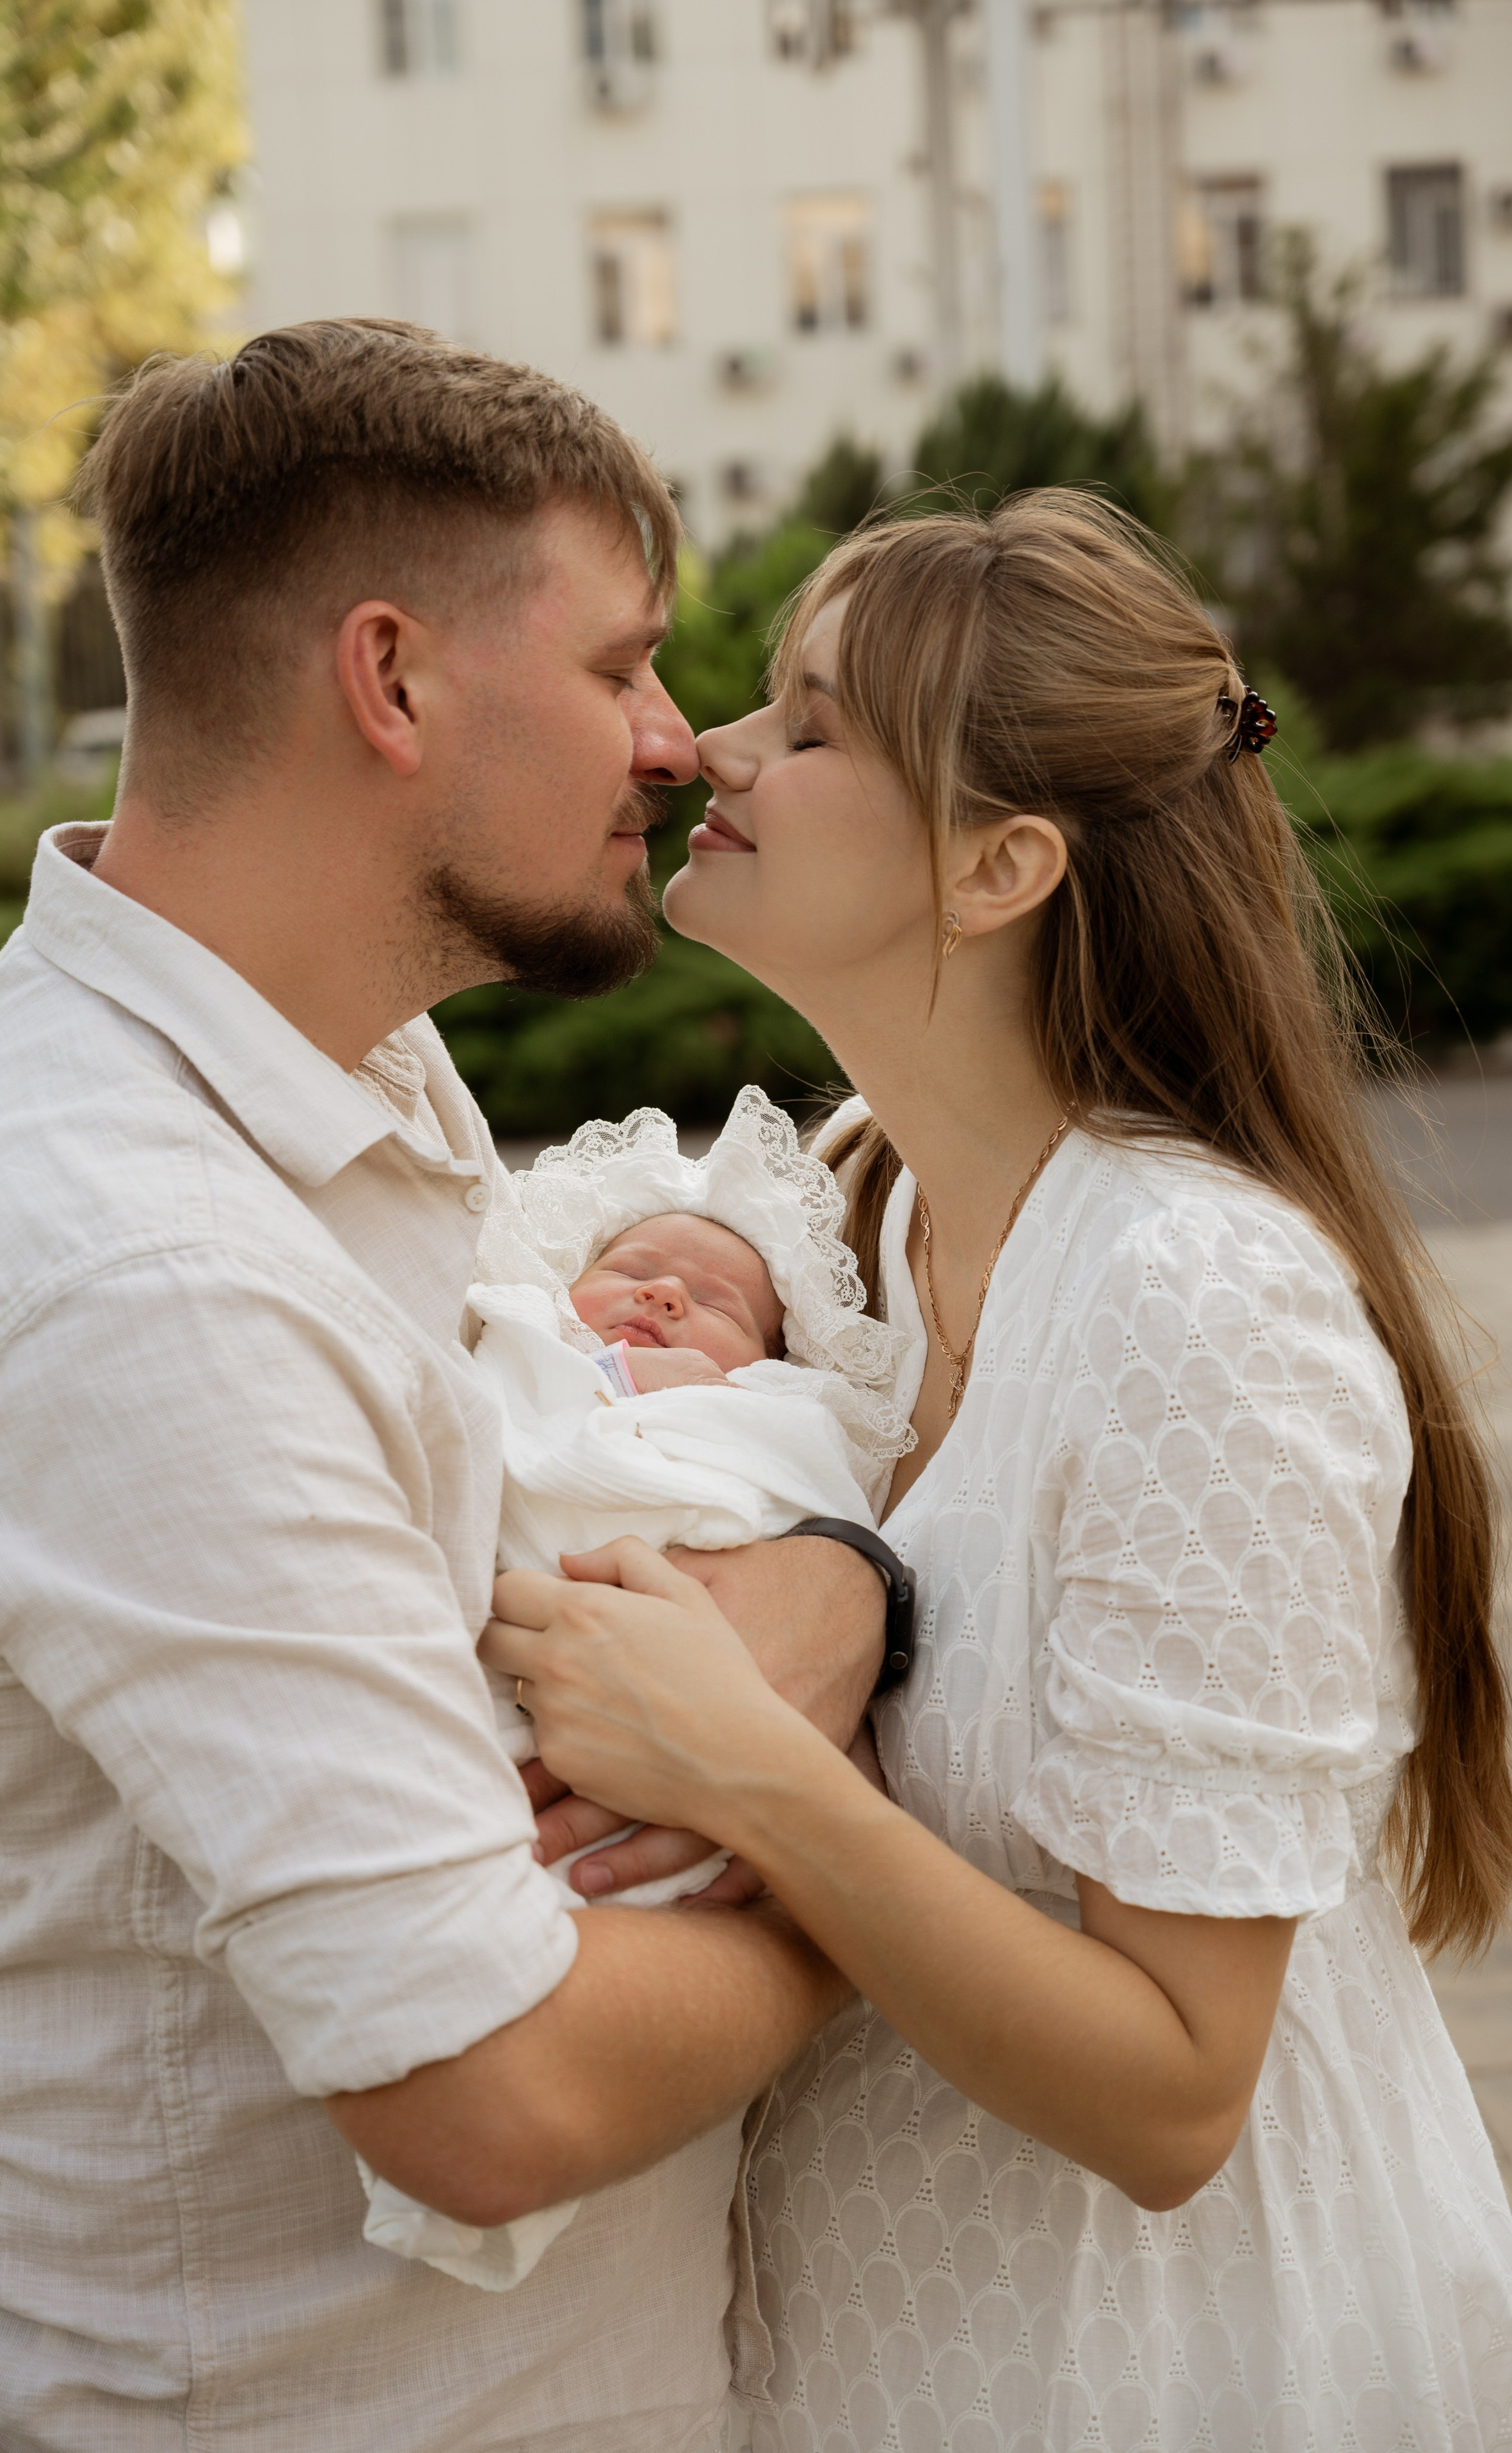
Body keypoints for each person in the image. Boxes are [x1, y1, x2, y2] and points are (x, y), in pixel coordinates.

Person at [0, 322, 896, 2453]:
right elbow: (488, 2086)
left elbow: (568, 1449)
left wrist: (835, 1574)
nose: (675, 741)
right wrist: (886, 1881)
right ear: (395, 679)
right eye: (618, 664)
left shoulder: (328, 1042)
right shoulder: (134, 1267)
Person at [488, 494, 1512, 2449]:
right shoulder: (862, 1208)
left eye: (810, 724)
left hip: (1176, 2377)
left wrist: (747, 1767)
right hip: (897, 2363)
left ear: (1002, 864)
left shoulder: (1199, 1301)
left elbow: (1177, 2095)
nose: (713, 749)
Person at [363, 1086, 915, 2290]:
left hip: (678, 1658)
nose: (665, 1295)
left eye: (717, 1304)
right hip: (508, 1662)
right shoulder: (515, 1336)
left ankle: (528, 2087)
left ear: (772, 1362)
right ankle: (479, 2084)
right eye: (633, 1269)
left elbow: (804, 1496)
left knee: (621, 1882)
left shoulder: (770, 1416)